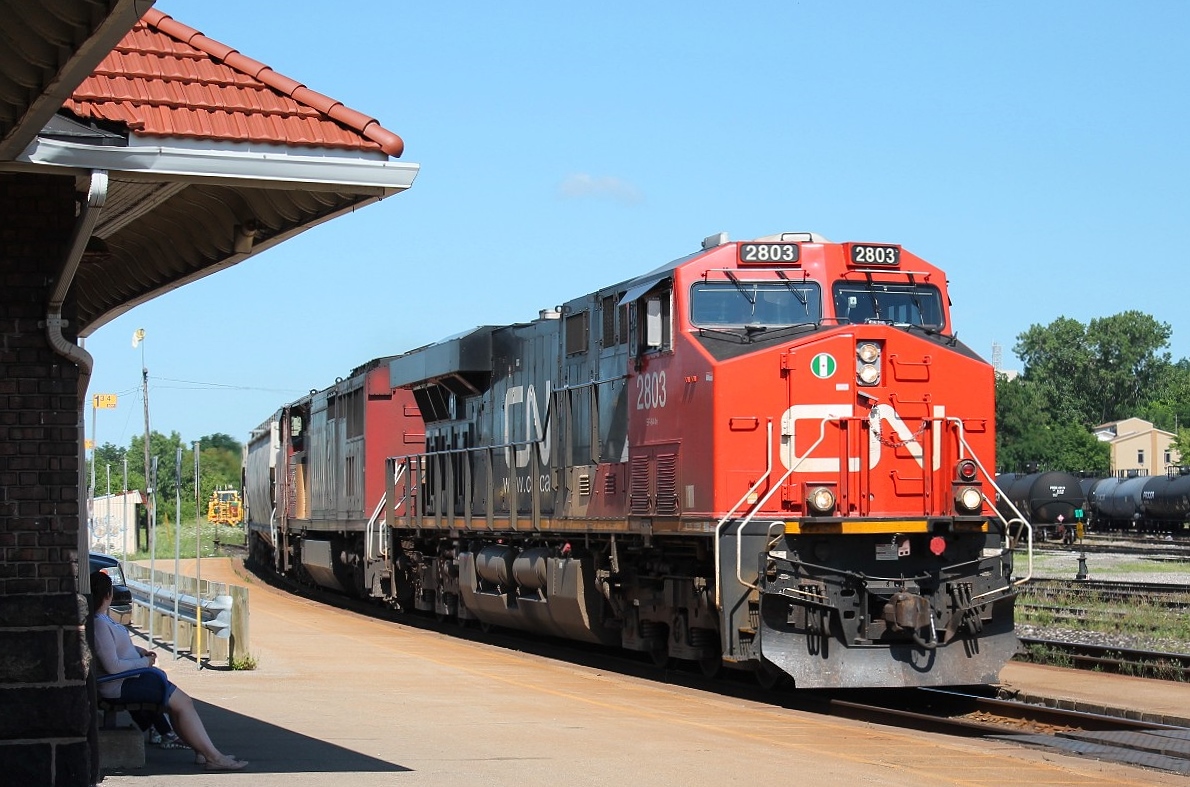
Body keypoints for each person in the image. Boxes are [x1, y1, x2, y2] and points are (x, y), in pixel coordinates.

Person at [90, 570, 248, 771]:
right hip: (119, 685)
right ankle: (213, 756)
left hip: (129, 679)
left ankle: (202, 751)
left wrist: (139, 652)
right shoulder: (100, 624)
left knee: (179, 704)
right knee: (183, 702)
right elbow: (113, 666)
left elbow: (118, 649)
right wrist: (144, 664)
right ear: (108, 594)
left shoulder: (104, 620)